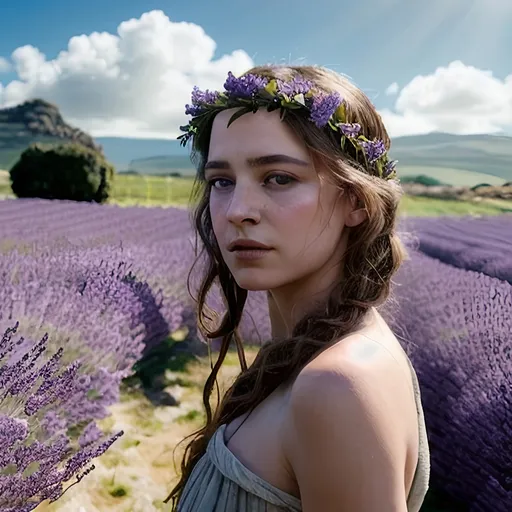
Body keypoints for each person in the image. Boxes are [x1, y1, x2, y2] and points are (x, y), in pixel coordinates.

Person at [164, 65, 430, 511]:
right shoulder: (312, 356)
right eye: (221, 182)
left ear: (356, 201)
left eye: (279, 178)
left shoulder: (337, 386)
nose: (237, 210)